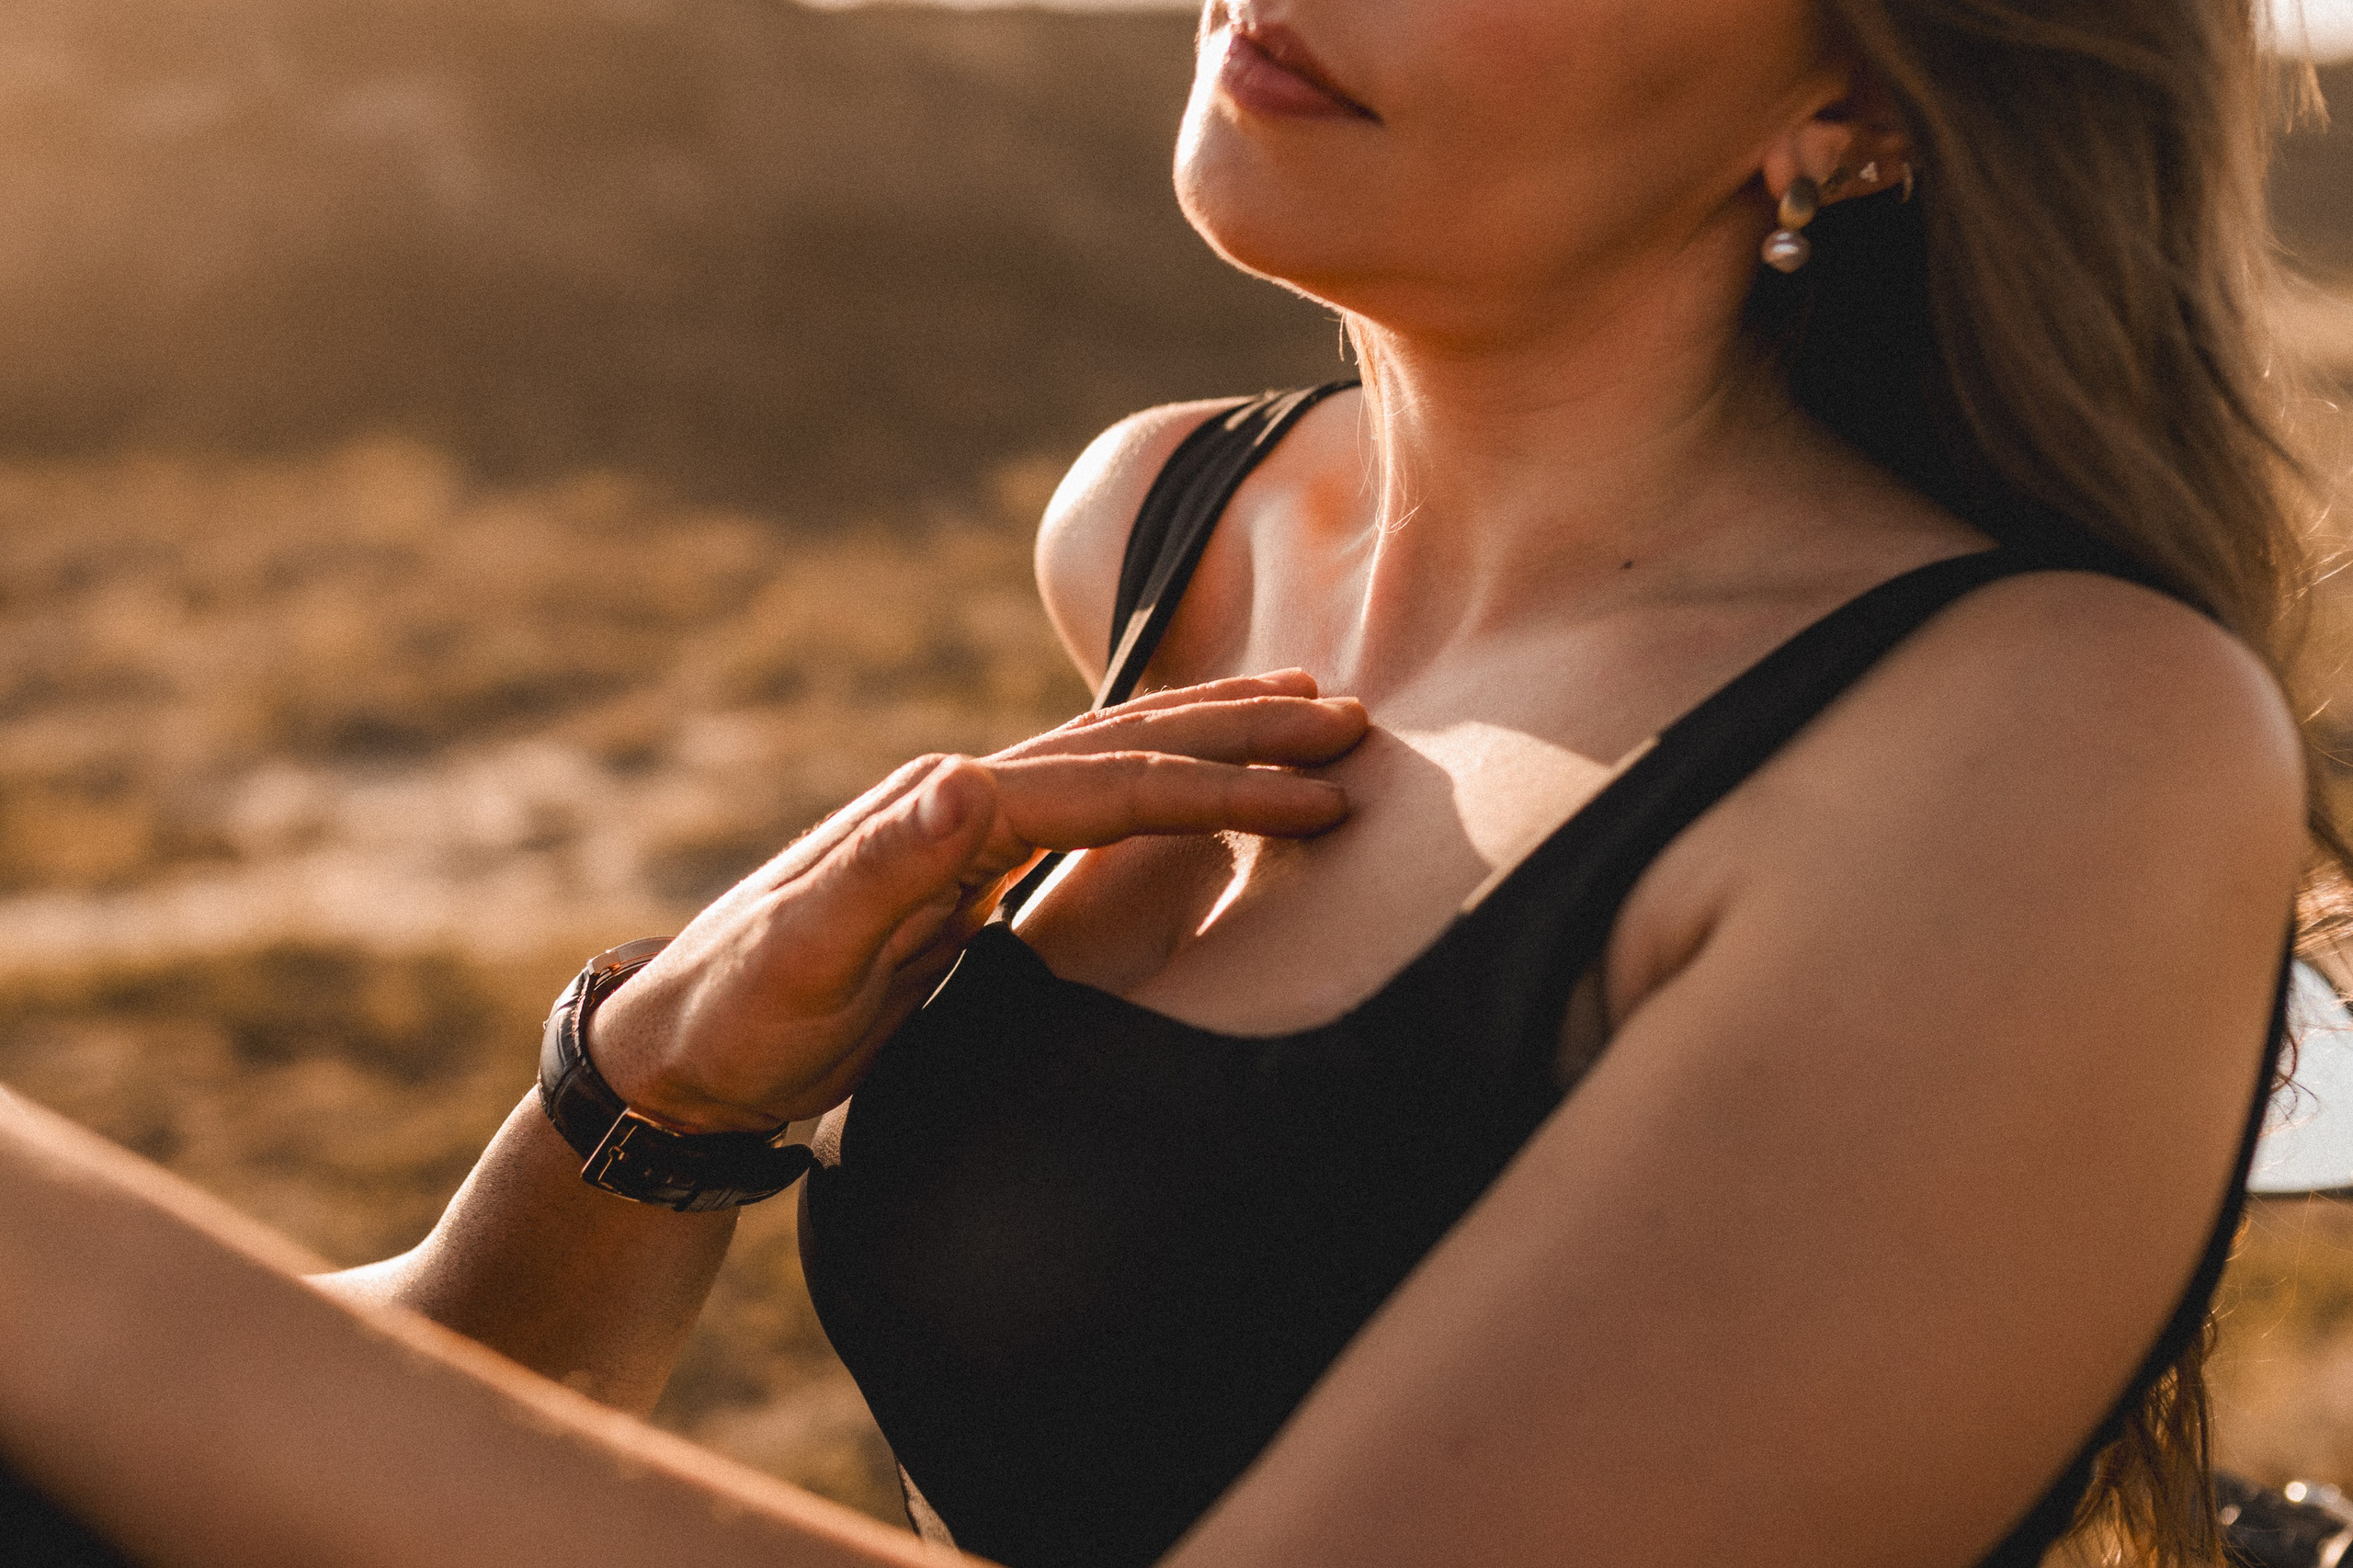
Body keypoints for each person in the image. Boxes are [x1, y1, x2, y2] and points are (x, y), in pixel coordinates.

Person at [0, 0, 2328, 1564]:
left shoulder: (2044, 749)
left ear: (1849, 96)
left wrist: (78, 1271)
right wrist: (653, 1100)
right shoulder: (1177, 530)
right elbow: (369, 1425)